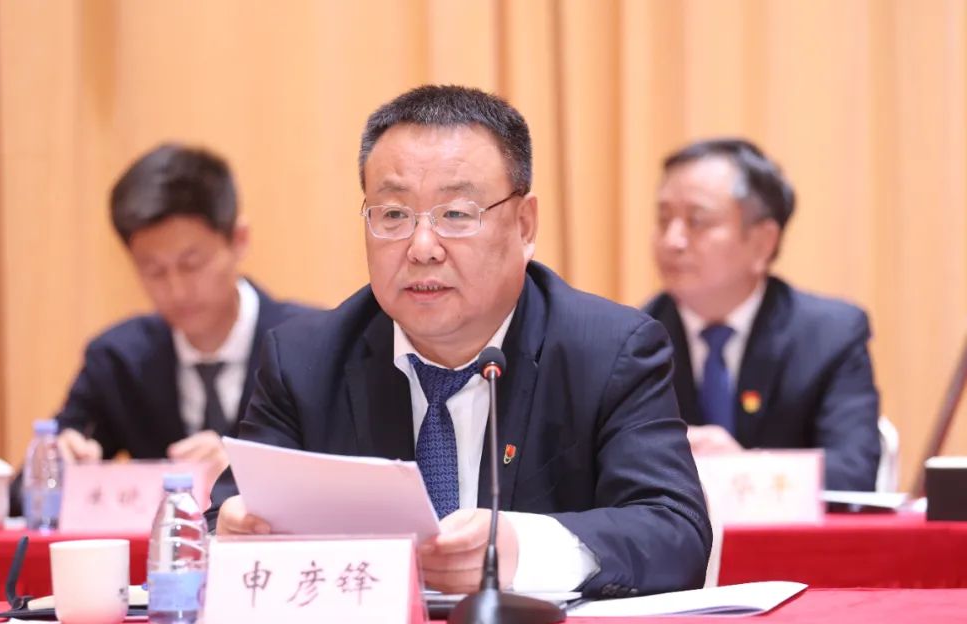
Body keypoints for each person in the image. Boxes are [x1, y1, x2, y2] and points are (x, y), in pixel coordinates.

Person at [209, 85, 710, 598]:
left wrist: (519, 550)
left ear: (524, 225)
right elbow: (220, 520)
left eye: (455, 214)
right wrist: (234, 531)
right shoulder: (304, 362)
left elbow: (675, 534)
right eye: (393, 215)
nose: (422, 248)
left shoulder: (609, 352)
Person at [10, 143, 312, 513]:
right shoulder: (119, 359)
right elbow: (19, 497)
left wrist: (245, 473)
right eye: (153, 271)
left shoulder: (309, 346)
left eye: (191, 264)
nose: (176, 290)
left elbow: (342, 480)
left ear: (239, 239)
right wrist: (57, 469)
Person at [643, 137, 881, 491]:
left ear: (762, 243)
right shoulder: (632, 340)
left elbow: (853, 471)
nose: (672, 241)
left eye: (697, 221)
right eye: (664, 220)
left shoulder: (830, 335)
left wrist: (745, 468)